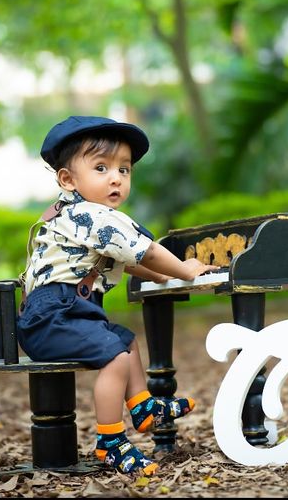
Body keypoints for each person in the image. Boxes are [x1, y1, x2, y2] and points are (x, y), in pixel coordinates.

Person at [17, 115, 217, 476]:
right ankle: (110, 442)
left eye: (124, 170)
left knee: (125, 343)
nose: (116, 178)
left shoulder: (80, 215)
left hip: (66, 312)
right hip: (51, 316)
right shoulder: (93, 217)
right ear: (68, 179)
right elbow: (146, 250)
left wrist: (161, 277)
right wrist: (184, 269)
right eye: (101, 167)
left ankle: (142, 406)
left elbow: (133, 260)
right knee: (115, 357)